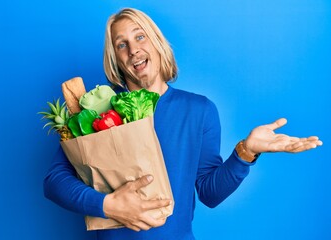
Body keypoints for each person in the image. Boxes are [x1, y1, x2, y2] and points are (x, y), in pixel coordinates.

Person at [43, 8, 322, 239]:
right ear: (116, 59)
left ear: (156, 43)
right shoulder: (99, 111)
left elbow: (210, 193)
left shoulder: (199, 110)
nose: (133, 49)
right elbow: (54, 182)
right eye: (121, 44)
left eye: (140, 37)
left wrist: (246, 152)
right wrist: (107, 204)